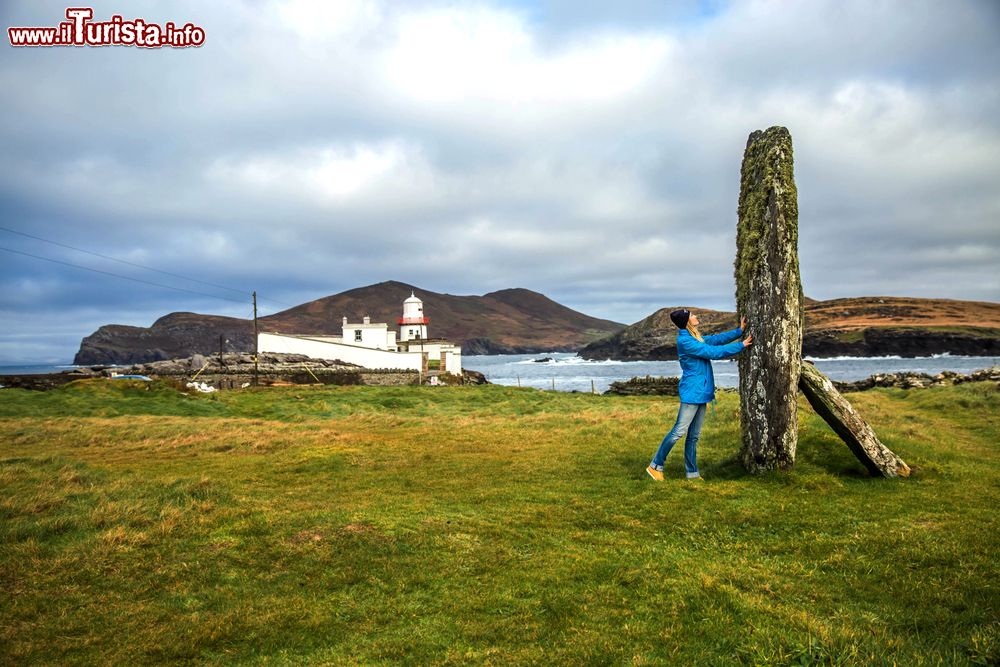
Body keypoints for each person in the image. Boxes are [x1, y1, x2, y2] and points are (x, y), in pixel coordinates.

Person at [646, 309, 752, 481]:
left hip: (701, 392)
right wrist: (741, 345)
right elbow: (713, 353)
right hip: (692, 392)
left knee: (694, 436)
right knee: (678, 431)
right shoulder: (686, 342)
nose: (696, 317)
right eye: (692, 315)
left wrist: (739, 332)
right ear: (687, 321)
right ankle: (655, 466)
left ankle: (692, 473)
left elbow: (715, 340)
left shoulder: (695, 337)